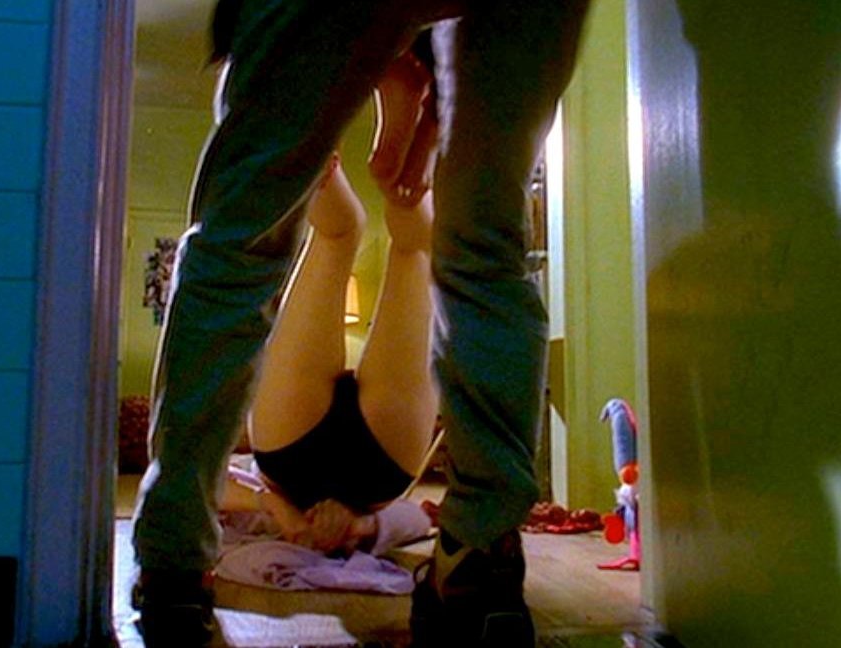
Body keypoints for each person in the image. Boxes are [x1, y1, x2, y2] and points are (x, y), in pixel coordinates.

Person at [131, 1, 590, 646]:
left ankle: (174, 564)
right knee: (481, 251)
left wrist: (399, 100)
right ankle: (479, 562)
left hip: (312, 459)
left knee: (240, 244)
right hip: (367, 465)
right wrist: (407, 112)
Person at [218, 50, 440, 555]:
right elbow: (422, 515)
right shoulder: (368, 520)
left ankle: (342, 155)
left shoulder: (256, 494)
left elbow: (201, 481)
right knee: (372, 242)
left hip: (303, 464)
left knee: (397, 249)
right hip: (351, 468)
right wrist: (360, 528)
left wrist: (280, 511)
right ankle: (377, 158)